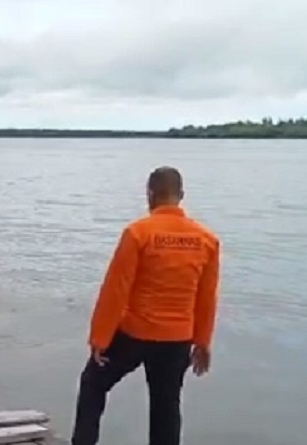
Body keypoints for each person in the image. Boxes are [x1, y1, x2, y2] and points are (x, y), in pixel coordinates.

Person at [71, 166, 220, 445]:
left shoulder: (138, 233)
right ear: (182, 195)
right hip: (177, 339)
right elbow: (206, 297)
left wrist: (100, 338)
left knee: (93, 385)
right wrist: (202, 342)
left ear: (150, 194)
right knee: (166, 406)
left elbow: (116, 289)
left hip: (134, 334)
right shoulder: (207, 240)